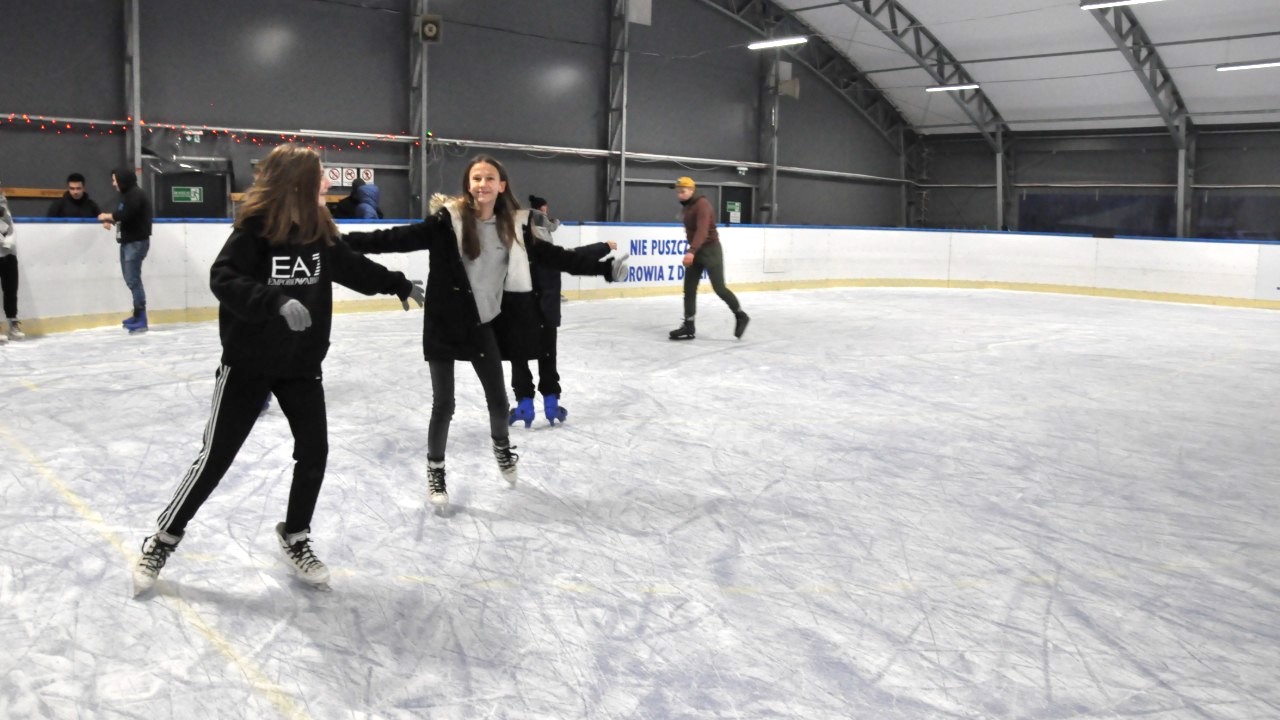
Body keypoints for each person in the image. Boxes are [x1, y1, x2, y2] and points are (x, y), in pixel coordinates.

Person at [131, 144, 425, 594]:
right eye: (321, 174)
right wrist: (274, 300)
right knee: (216, 457)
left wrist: (398, 284)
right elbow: (224, 277)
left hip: (301, 365)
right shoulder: (255, 229)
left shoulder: (320, 230)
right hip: (248, 365)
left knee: (314, 452)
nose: (327, 181)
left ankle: (295, 534)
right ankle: (163, 538)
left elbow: (353, 268)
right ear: (298, 182)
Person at [343, 155, 629, 509]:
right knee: (444, 404)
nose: (483, 184)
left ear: (501, 185)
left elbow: (558, 257)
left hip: (483, 323)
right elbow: (395, 238)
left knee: (498, 401)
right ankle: (436, 470)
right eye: (476, 178)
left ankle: (502, 447)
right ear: (468, 185)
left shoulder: (515, 227)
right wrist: (339, 241)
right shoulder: (447, 222)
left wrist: (604, 270)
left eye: (489, 178)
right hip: (444, 324)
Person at [508, 194, 616, 427]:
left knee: (519, 358)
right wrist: (604, 247)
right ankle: (551, 404)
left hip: (519, 314)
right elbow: (575, 257)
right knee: (547, 357)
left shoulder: (513, 255)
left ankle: (524, 405)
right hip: (547, 313)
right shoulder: (551, 253)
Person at [668, 176, 749, 341]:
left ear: (692, 190)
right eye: (677, 192)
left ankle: (740, 315)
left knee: (720, 288)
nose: (679, 195)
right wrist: (693, 250)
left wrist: (691, 251)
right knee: (689, 289)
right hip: (696, 251)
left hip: (710, 251)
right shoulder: (688, 206)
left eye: (683, 191)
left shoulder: (702, 205)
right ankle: (689, 325)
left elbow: (702, 231)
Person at [98, 167, 153, 333]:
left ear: (122, 180)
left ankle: (141, 318)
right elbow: (125, 216)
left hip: (136, 243)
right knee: (130, 279)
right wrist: (112, 220)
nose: (113, 184)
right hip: (129, 242)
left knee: (133, 280)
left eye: (115, 180)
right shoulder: (128, 195)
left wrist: (108, 216)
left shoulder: (135, 195)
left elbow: (126, 214)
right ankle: (137, 315)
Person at [0, 189, 22, 343]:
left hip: (8, 254)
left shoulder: (3, 204)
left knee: (11, 289)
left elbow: (10, 227)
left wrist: (9, 243)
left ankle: (13, 323)